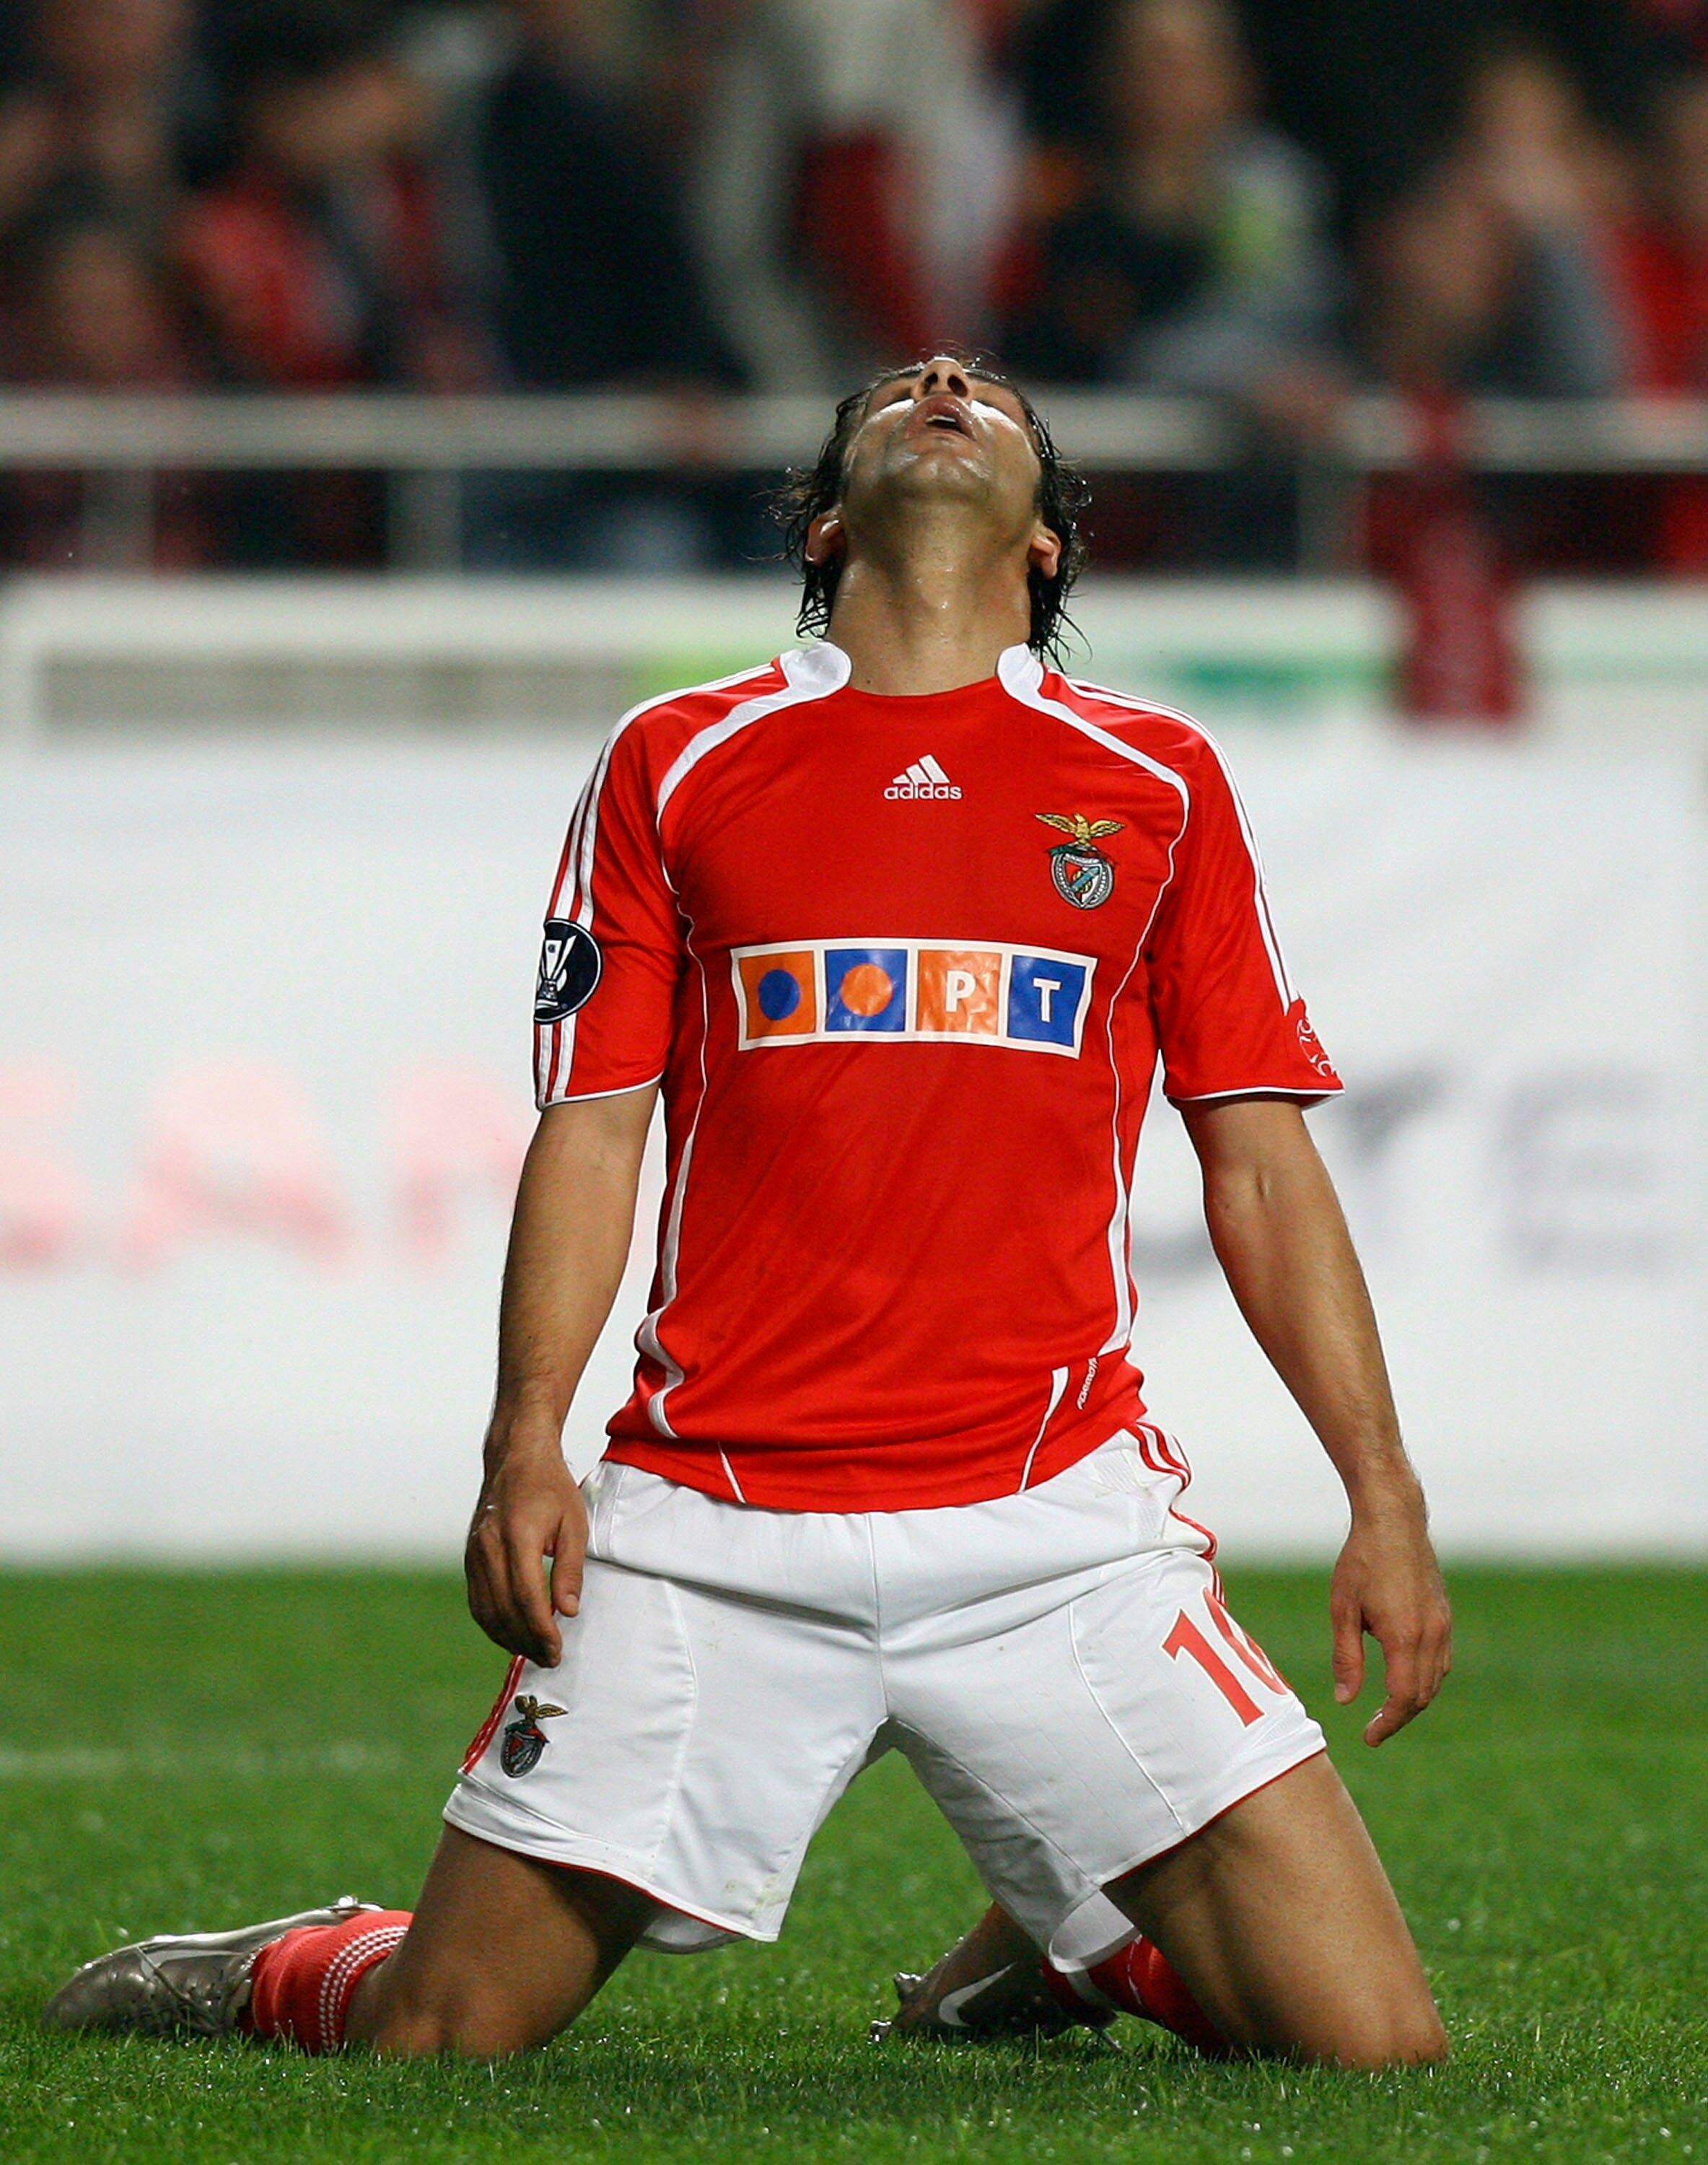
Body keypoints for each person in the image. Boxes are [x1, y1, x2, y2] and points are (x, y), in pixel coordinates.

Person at [43, 354, 1451, 2068]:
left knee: (1370, 2050)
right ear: (823, 515)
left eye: (985, 390)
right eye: (898, 388)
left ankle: (1079, 1948)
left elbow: (1258, 1159)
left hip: (1051, 1525)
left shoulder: (1156, 783)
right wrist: (526, 1440)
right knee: (441, 2039)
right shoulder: (678, 759)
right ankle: (293, 1962)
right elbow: (591, 1128)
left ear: (1051, 548)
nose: (941, 381)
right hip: (716, 1518)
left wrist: (1378, 1492)